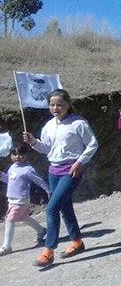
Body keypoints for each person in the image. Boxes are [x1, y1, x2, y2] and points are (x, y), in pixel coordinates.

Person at [23, 89, 99, 267]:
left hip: (72, 170)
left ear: (68, 104)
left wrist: (80, 162)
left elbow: (92, 144)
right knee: (64, 208)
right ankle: (77, 242)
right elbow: (46, 148)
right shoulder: (49, 125)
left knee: (51, 209)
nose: (55, 108)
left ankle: (48, 251)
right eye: (52, 104)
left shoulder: (78, 123)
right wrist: (33, 142)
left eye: (60, 104)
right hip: (53, 171)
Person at [0, 144, 50, 256]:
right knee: (24, 217)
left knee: (9, 220)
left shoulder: (28, 169)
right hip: (12, 199)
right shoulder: (12, 167)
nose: (17, 156)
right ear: (11, 155)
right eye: (15, 154)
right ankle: (41, 230)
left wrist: (48, 191)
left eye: (21, 154)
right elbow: (10, 181)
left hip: (21, 200)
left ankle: (6, 246)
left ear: (26, 155)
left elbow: (39, 181)